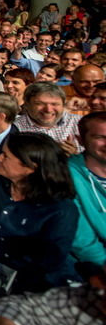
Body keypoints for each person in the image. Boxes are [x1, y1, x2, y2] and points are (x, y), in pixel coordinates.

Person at [0, 132, 79, 293]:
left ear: (30, 168)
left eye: (6, 156)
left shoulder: (60, 210)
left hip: (35, 288)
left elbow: (47, 265)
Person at [69, 111, 106, 278]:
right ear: (81, 140)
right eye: (100, 137)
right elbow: (83, 242)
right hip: (95, 271)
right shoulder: (66, 176)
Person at [15, 82, 83, 155]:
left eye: (55, 104)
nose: (48, 109)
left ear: (63, 104)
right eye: (40, 103)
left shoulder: (79, 123)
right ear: (27, 104)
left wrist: (76, 156)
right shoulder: (15, 128)